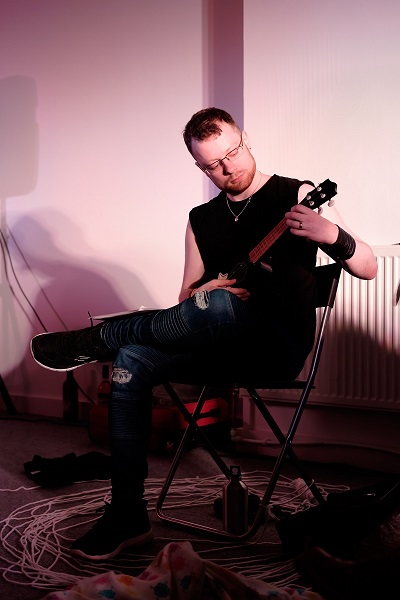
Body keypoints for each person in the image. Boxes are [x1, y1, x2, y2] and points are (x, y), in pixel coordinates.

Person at [30, 107, 378, 561]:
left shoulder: (299, 194)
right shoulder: (200, 219)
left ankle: (98, 338)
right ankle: (127, 516)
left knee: (214, 306)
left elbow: (368, 267)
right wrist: (205, 289)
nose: (227, 168)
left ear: (245, 138)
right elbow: (185, 302)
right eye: (212, 164)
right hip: (214, 343)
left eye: (231, 153)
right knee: (135, 358)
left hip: (274, 346)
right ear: (199, 166)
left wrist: (331, 234)